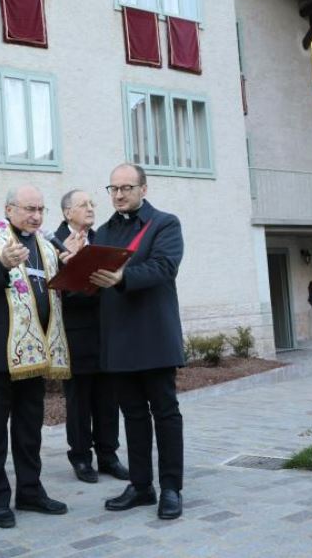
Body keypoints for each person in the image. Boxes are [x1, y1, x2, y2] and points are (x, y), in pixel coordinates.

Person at [0, 185, 71, 529]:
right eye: (28, 209)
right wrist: (0, 265)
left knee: (28, 430)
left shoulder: (47, 246)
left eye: (41, 209)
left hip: (33, 354)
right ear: (9, 209)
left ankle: (30, 491)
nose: (36, 216)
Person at [89, 163, 185, 520]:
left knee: (165, 413)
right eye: (113, 188)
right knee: (132, 415)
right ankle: (142, 486)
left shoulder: (164, 224)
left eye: (127, 187)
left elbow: (163, 267)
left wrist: (121, 277)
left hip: (154, 336)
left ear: (144, 189)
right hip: (118, 339)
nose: (119, 194)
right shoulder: (102, 232)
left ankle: (171, 487)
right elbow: (92, 282)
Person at [55, 190, 129, 484]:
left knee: (108, 398)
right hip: (75, 333)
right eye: (83, 204)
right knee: (79, 400)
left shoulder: (102, 239)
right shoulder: (53, 242)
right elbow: (55, 288)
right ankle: (82, 458)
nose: (90, 208)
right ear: (67, 213)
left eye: (92, 204)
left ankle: (108, 456)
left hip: (106, 331)